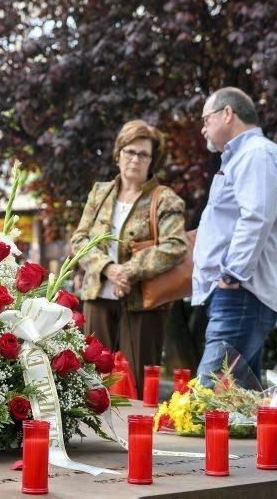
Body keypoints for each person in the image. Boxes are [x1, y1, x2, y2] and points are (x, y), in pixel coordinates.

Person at [70, 120, 188, 394]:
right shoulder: (100, 193)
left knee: (135, 383)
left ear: (152, 160)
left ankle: (136, 435)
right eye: (129, 151)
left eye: (143, 154)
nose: (135, 159)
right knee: (92, 379)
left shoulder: (165, 199)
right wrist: (109, 269)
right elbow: (79, 240)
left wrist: (129, 271)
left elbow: (176, 246)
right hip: (97, 297)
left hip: (142, 304)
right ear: (118, 154)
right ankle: (92, 435)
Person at [193, 87, 277, 388]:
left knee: (205, 399)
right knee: (242, 404)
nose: (203, 128)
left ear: (228, 113)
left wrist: (232, 274)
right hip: (238, 292)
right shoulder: (246, 156)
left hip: (240, 292)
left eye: (206, 119)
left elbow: (256, 218)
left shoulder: (257, 154)